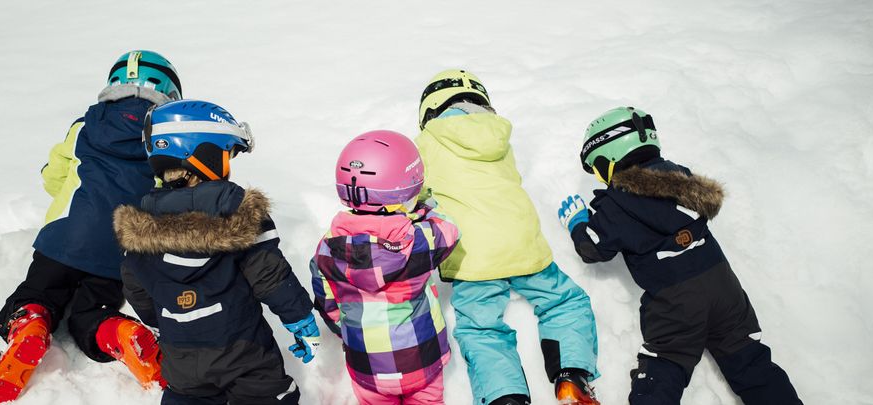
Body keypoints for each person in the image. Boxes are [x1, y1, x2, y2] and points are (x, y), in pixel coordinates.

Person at [557, 106, 802, 404]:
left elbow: (594, 248)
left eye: (596, 168)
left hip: (676, 302)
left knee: (663, 367)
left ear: (610, 156)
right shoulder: (682, 179)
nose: (599, 178)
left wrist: (578, 224)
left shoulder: (618, 202)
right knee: (752, 365)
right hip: (724, 287)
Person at [0, 50, 180, 403]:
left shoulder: (84, 126)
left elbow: (53, 178)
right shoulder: (165, 141)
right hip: (118, 252)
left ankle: (29, 321)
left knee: (39, 292)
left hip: (62, 240)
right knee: (90, 313)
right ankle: (117, 331)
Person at [415, 69, 601, 405]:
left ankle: (506, 398)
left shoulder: (425, 144)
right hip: (523, 246)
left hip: (472, 257)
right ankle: (572, 375)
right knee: (565, 301)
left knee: (481, 329)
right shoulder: (500, 136)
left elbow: (417, 194)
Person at [113, 99, 318, 405]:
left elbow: (136, 287)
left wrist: (170, 319)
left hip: (182, 360)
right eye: (225, 154)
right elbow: (269, 274)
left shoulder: (144, 222)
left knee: (185, 397)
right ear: (201, 153)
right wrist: (299, 317)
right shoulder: (234, 208)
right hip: (244, 354)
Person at [311, 130, 460, 405]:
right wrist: (420, 207)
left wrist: (350, 330)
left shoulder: (327, 249)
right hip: (422, 362)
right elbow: (449, 229)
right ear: (405, 190)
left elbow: (328, 306)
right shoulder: (417, 242)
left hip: (366, 366)